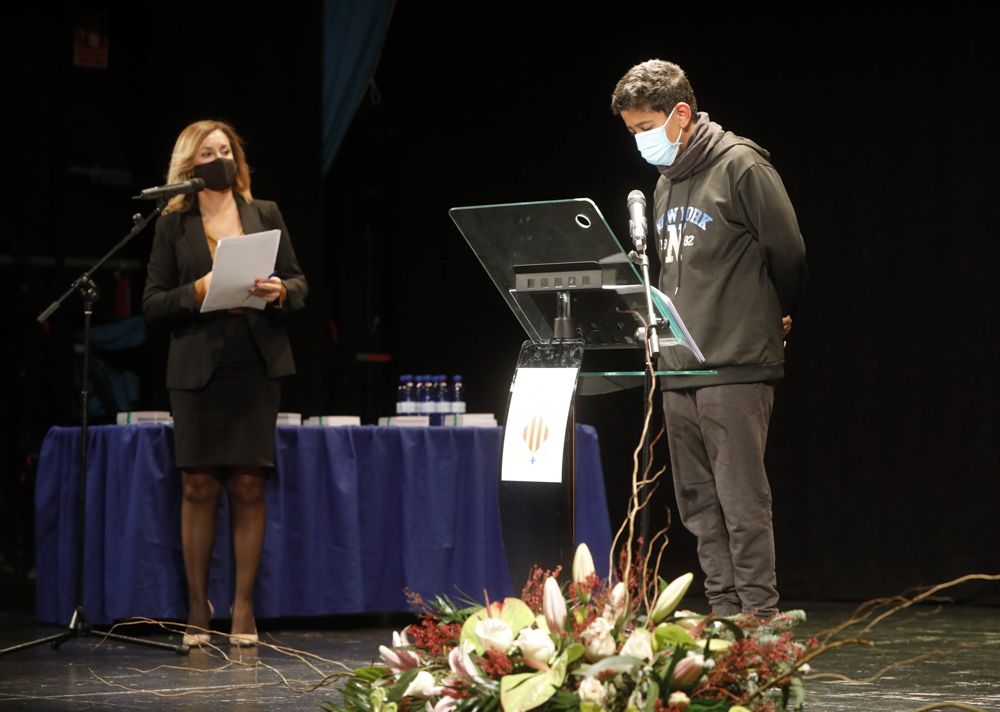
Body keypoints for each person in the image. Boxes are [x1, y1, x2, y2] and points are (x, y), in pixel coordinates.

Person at [610, 60, 807, 617]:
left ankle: (759, 618)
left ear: (680, 114)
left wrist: (781, 313)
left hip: (735, 363)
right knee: (697, 501)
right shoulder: (666, 180)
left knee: (742, 499)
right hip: (678, 366)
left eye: (645, 128)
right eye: (632, 133)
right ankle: (724, 611)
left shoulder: (742, 165)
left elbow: (788, 252)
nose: (641, 142)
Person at [142, 119, 308, 646]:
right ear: (190, 166)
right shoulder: (173, 224)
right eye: (210, 152)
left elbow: (300, 281)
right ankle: (197, 608)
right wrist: (198, 288)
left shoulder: (265, 214)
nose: (222, 158)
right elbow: (153, 303)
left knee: (247, 483)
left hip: (254, 363)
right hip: (196, 368)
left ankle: (242, 609)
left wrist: (281, 290)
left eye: (227, 149)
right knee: (198, 486)